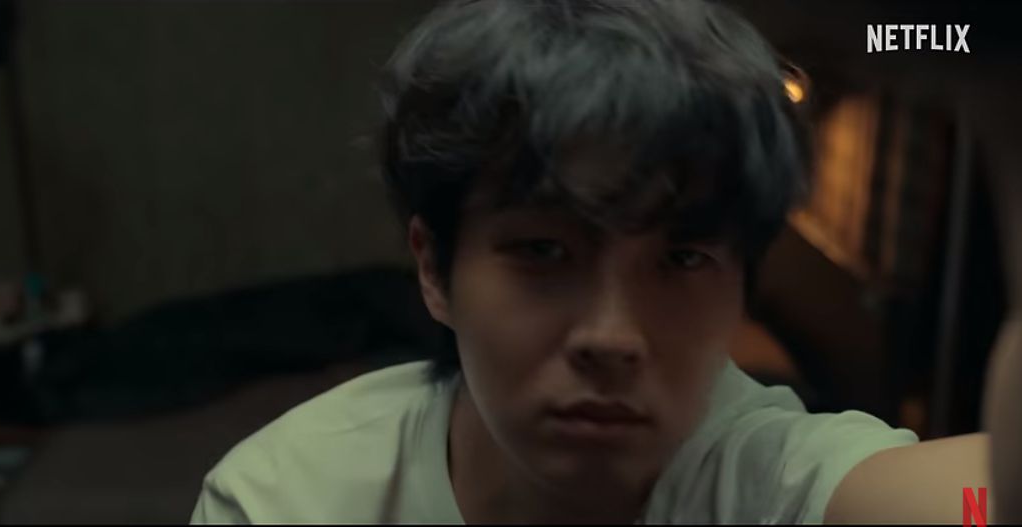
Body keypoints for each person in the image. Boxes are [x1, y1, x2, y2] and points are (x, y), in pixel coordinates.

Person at [190, 0, 1015, 523]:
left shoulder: (757, 478)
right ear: (435, 270)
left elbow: (978, 505)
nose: (612, 336)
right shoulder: (288, 499)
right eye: (543, 251)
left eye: (681, 258)